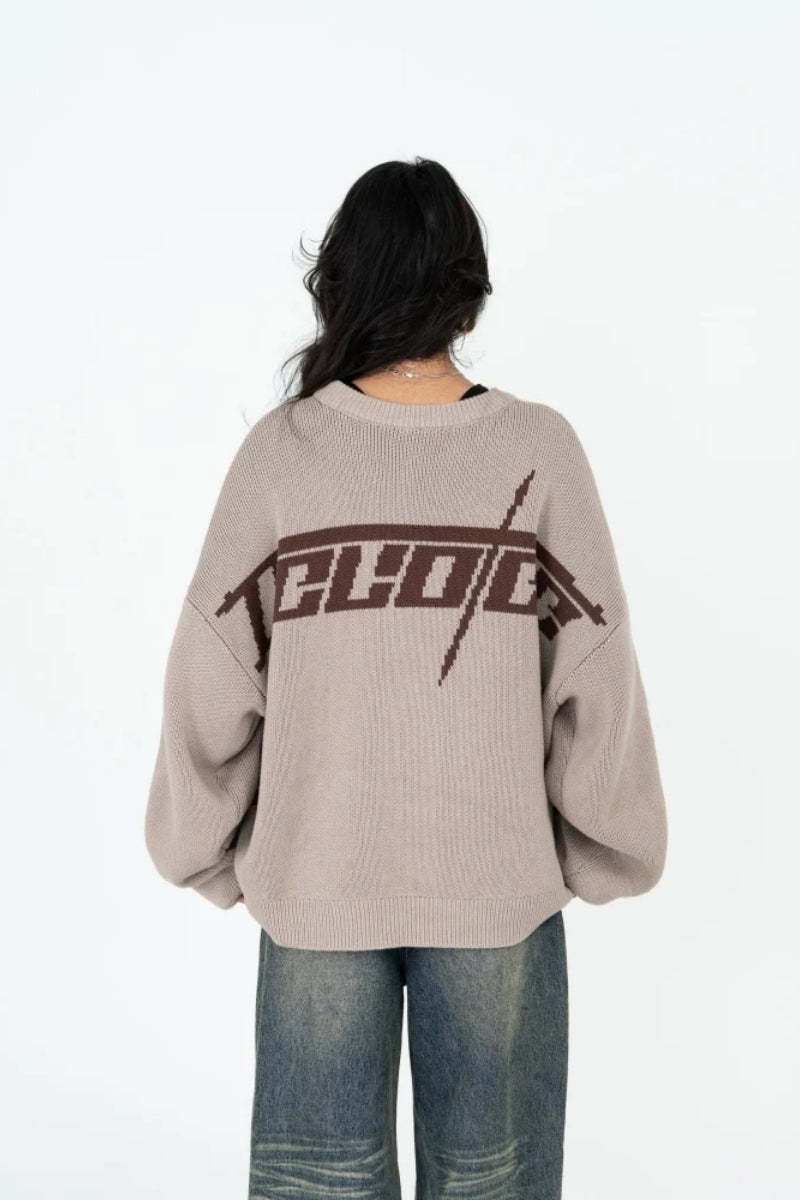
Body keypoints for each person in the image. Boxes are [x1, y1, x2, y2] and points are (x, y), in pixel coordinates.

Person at [145, 157, 667, 1199]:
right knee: (494, 1184)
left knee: (316, 1184)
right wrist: (600, 847)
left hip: (317, 882)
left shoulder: (284, 451)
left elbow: (212, 674)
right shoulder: (536, 448)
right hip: (496, 890)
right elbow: (595, 677)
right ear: (466, 283)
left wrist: (201, 847)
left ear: (340, 277)